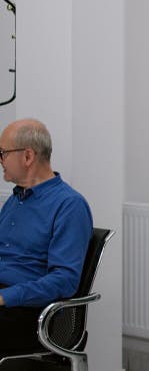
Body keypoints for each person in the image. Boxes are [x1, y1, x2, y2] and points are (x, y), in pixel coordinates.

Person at [0, 119, 93, 355]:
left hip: (33, 311)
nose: (1, 161)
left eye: (3, 153)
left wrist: (5, 297)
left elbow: (64, 280)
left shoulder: (69, 205)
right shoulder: (15, 201)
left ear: (28, 156)